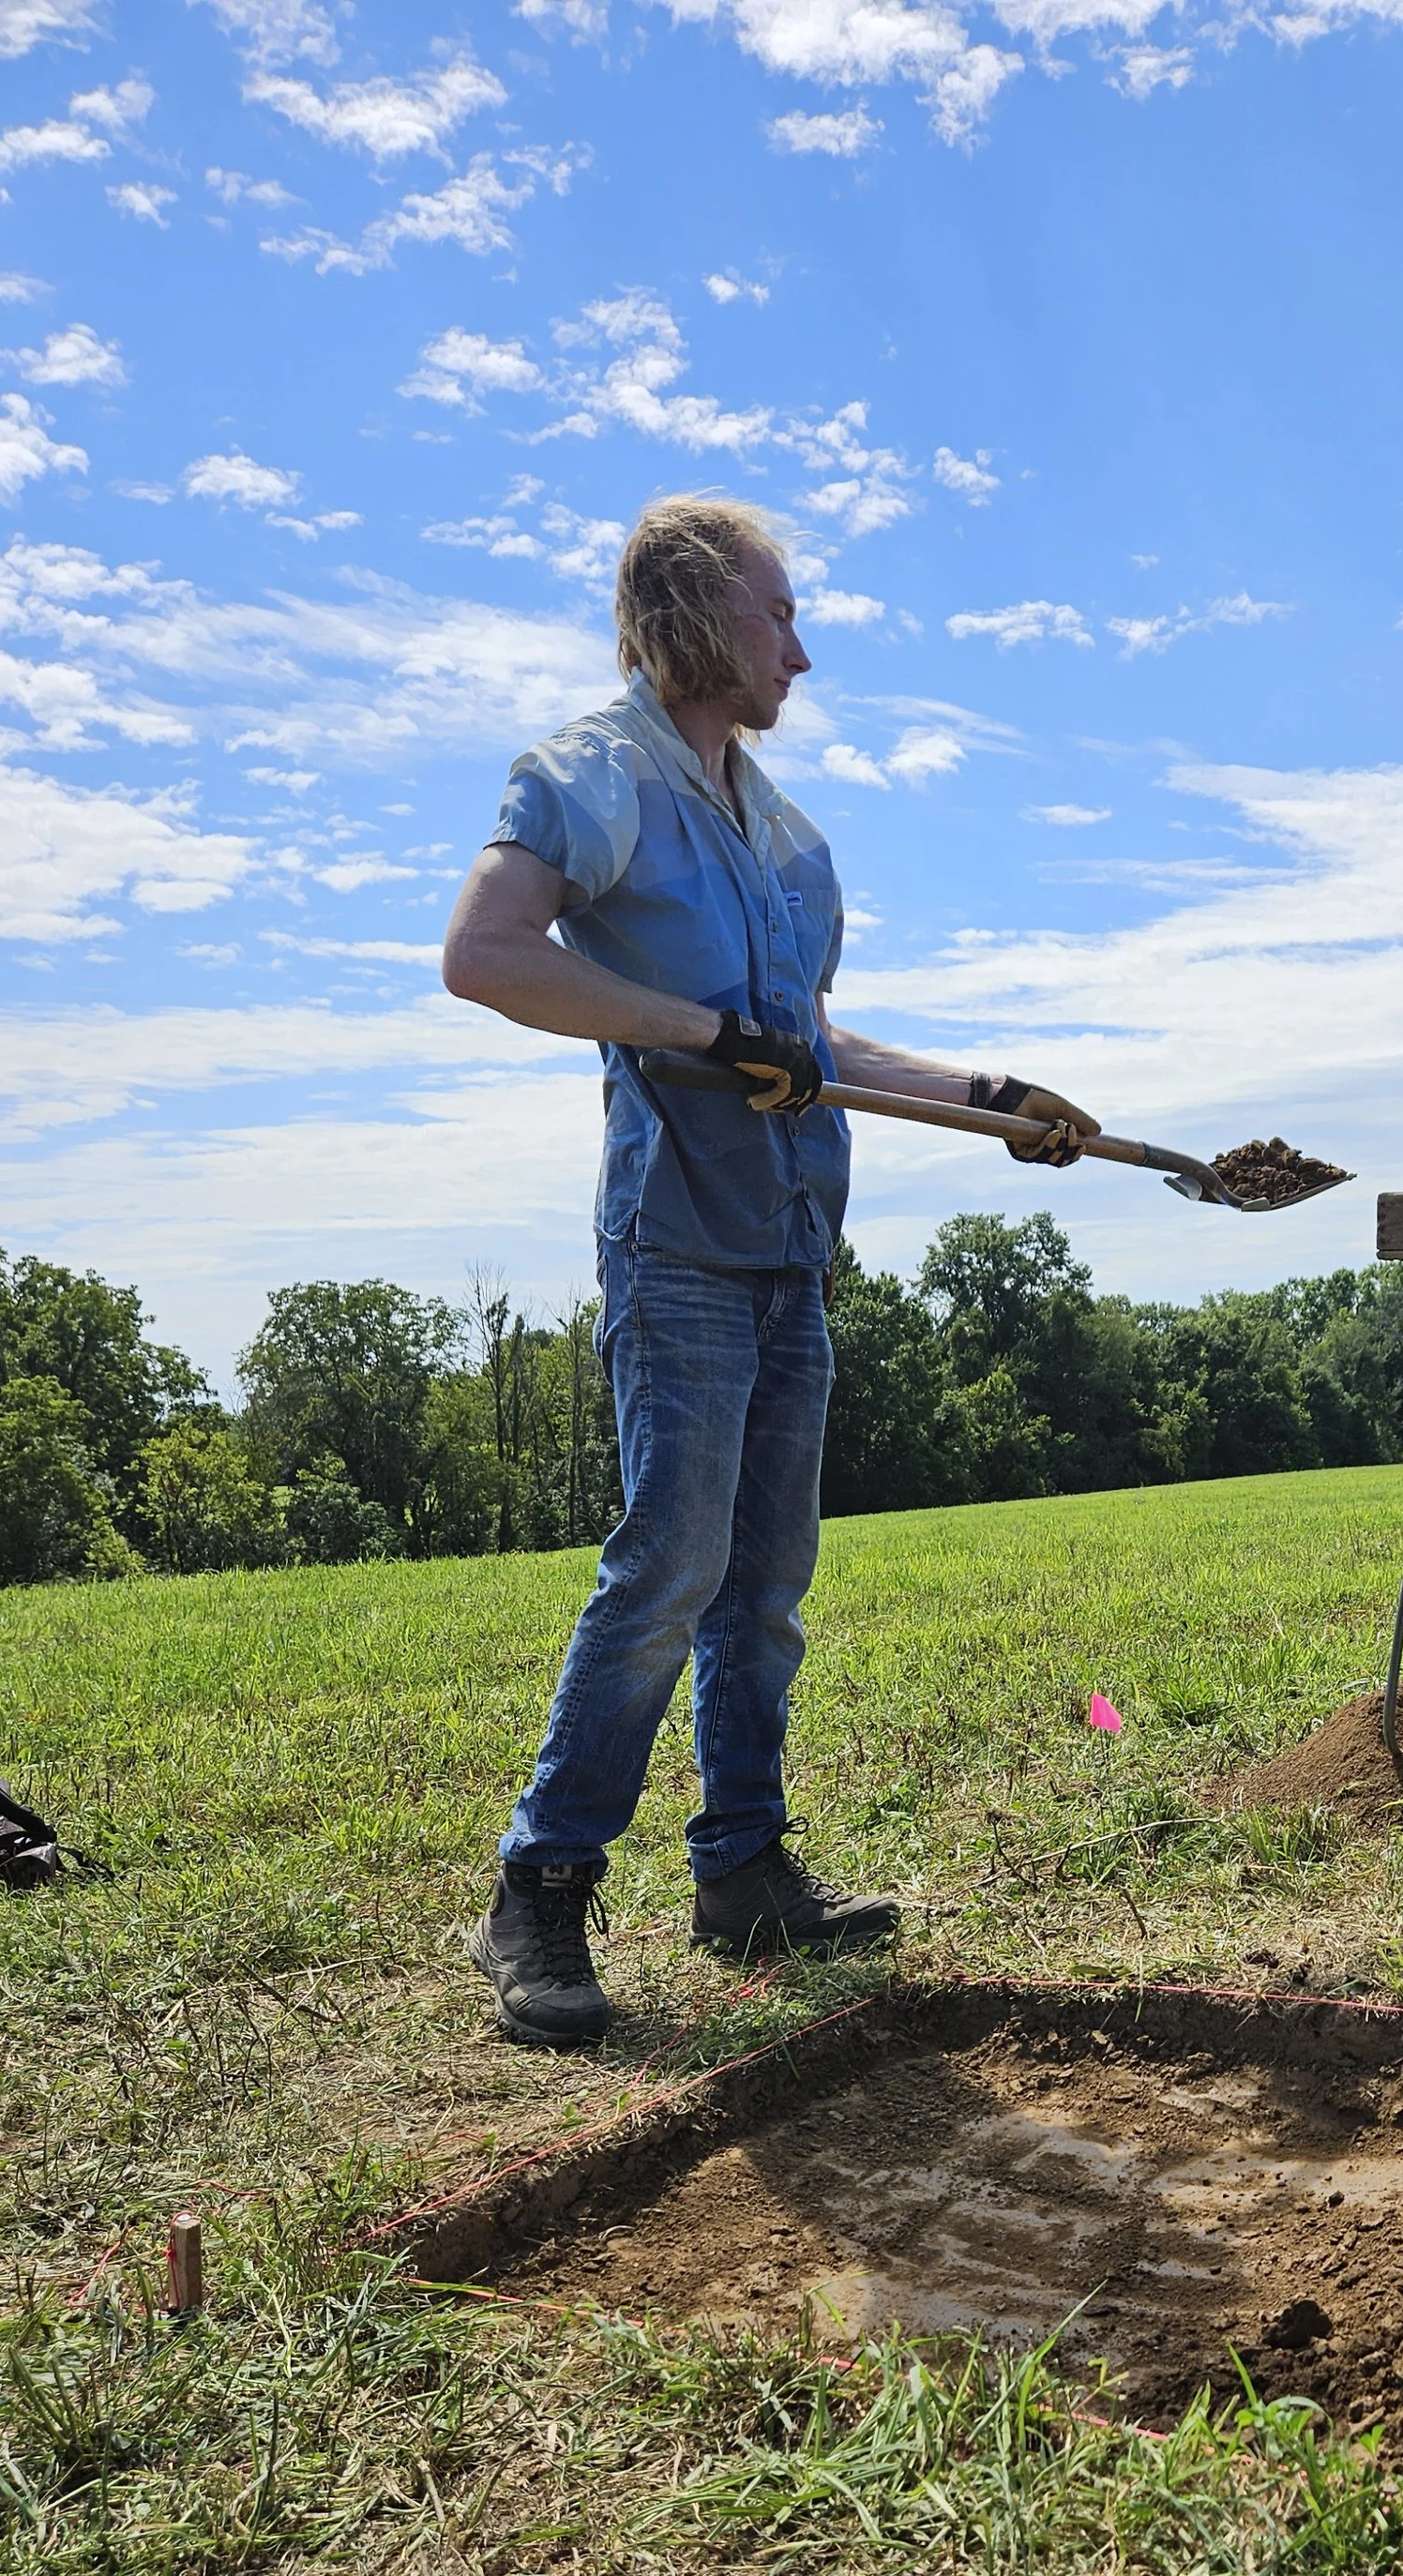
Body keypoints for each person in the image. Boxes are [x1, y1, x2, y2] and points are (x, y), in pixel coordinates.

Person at [441, 492, 1100, 2044]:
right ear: (692, 609)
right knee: (670, 1562)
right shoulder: (594, 775)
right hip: (675, 1238)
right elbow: (488, 955)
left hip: (793, 1245)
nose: (800, 652)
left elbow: (807, 1043)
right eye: (779, 614)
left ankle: (744, 1868)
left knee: (766, 1585)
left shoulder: (786, 834)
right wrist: (694, 1028)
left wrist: (989, 1098)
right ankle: (538, 1890)